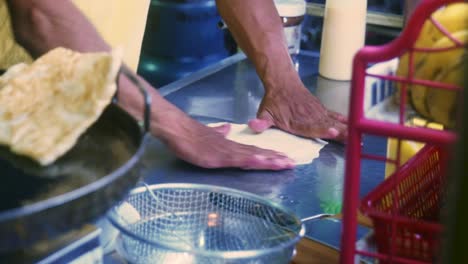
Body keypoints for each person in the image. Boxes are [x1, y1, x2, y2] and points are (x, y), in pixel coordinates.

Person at [4, 0, 347, 170]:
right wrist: (179, 127)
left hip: (106, 101)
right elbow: (39, 14)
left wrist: (284, 84)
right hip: (13, 106)